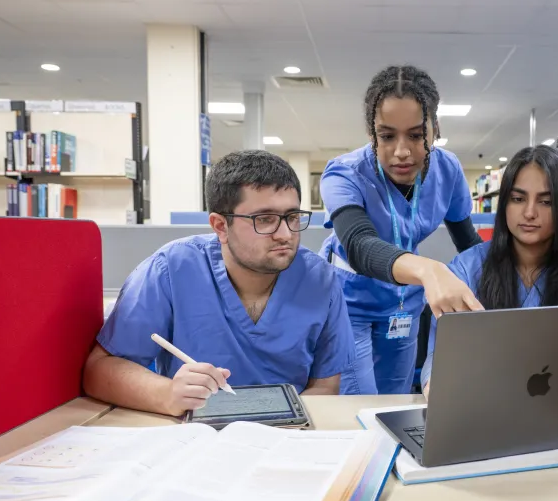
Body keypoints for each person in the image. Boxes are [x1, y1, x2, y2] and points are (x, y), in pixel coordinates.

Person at [83, 150, 355, 417]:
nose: (285, 234)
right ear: (221, 226)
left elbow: (325, 385)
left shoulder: (320, 279)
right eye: (265, 219)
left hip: (287, 436)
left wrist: (285, 428)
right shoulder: (171, 270)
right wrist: (167, 394)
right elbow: (100, 369)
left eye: (292, 217)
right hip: (194, 434)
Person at [319, 65, 485, 395]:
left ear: (435, 128)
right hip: (349, 301)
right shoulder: (344, 174)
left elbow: (469, 243)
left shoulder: (447, 169)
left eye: (415, 134)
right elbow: (360, 245)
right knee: (360, 407)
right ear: (372, 134)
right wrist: (428, 270)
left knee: (396, 399)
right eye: (387, 136)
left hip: (404, 303)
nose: (402, 151)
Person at [420, 145, 558, 398]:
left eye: (546, 201)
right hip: (480, 413)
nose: (530, 212)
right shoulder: (466, 272)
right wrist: (435, 387)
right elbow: (441, 357)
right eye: (518, 198)